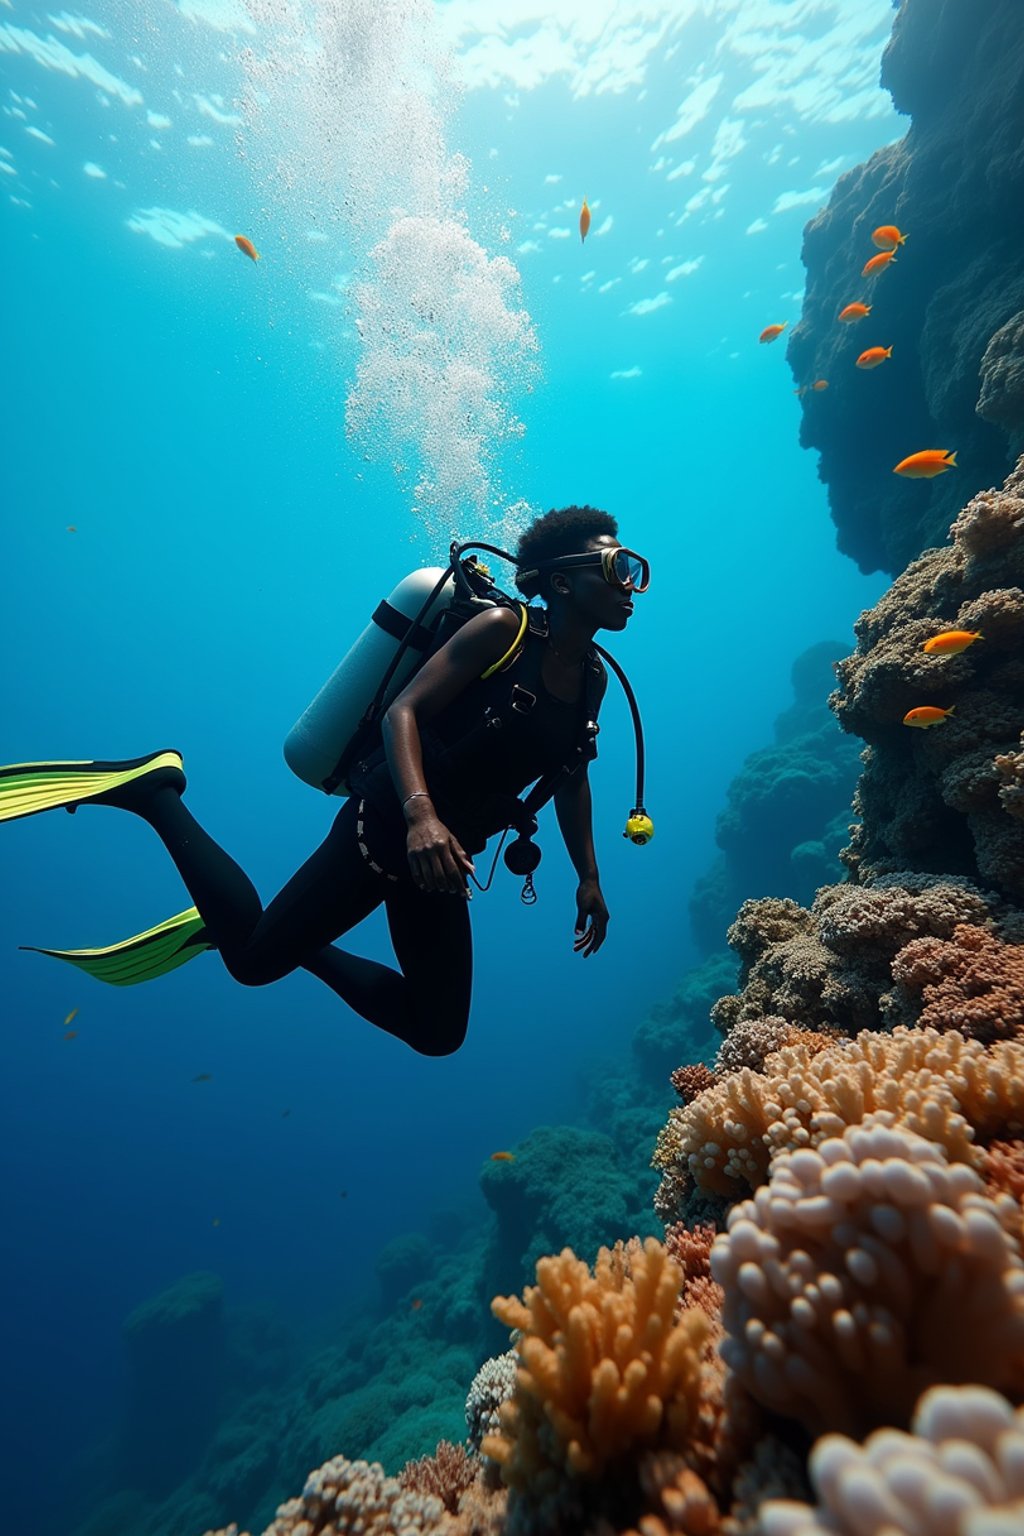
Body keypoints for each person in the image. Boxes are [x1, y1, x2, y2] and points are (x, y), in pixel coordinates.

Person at [1, 506, 648, 1056]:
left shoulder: (593, 678)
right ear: (562, 583)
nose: (632, 585)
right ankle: (153, 792)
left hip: (443, 861)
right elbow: (404, 712)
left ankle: (244, 925)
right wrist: (421, 815)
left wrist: (588, 876)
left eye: (634, 573)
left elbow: (572, 778)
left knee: (438, 1031)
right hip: (390, 825)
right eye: (620, 568)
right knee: (252, 965)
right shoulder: (503, 632)